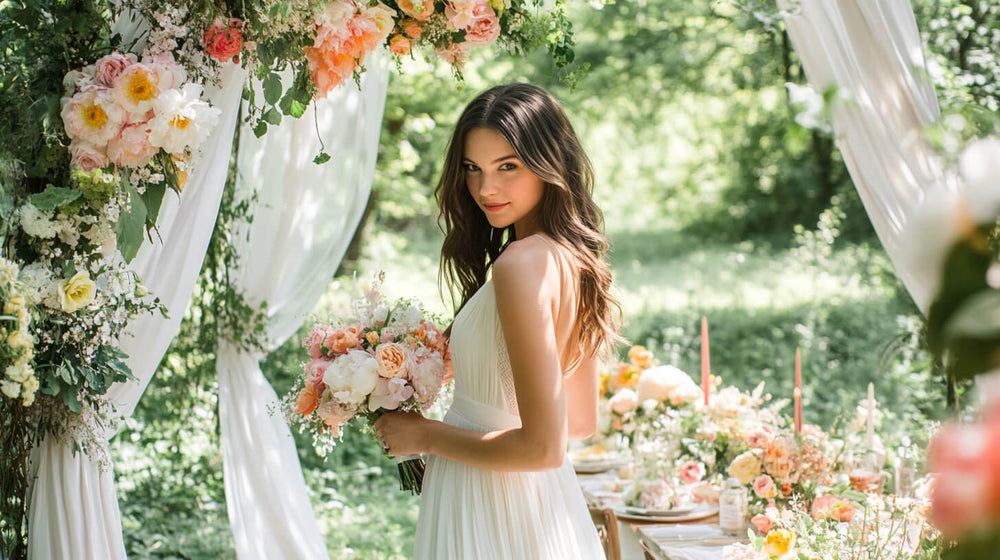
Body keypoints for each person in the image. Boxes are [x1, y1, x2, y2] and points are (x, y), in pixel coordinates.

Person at [374, 83, 622, 559]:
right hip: (538, 503)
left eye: (507, 166)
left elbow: (544, 447)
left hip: (490, 500)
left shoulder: (520, 265)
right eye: (473, 169)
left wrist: (425, 434)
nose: (486, 188)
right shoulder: (572, 259)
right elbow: (582, 421)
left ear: (551, 162)